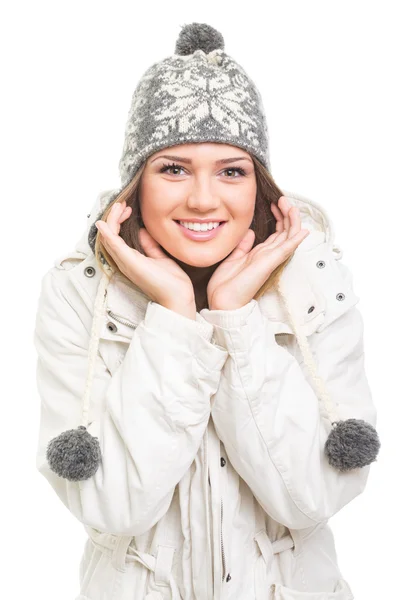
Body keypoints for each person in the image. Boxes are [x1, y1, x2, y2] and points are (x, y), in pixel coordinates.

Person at [34, 22, 380, 600]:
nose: (202, 198)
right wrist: (174, 316)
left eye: (231, 170)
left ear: (259, 185)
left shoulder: (315, 283)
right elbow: (110, 505)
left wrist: (233, 316)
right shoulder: (78, 294)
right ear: (135, 184)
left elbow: (313, 498)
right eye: (172, 168)